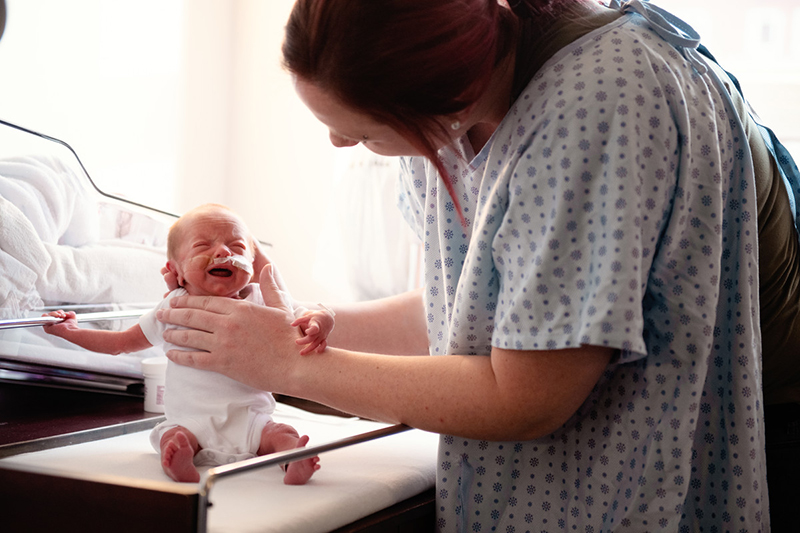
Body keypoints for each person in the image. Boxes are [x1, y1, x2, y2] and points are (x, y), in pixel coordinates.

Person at [153, 1, 800, 529]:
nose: (340, 142)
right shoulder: (464, 113)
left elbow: (529, 394)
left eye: (362, 130)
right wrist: (291, 325)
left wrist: (287, 362)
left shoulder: (595, 106)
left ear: (444, 95)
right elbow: (465, 310)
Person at [43, 203, 333, 484]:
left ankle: (292, 457)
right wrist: (71, 331)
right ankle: (180, 456)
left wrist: (321, 319)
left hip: (252, 419)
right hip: (192, 422)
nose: (222, 251)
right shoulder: (172, 308)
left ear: (252, 266)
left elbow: (301, 314)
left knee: (281, 433)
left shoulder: (261, 299)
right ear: (176, 270)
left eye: (237, 247)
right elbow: (121, 342)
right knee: (169, 434)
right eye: (202, 246)